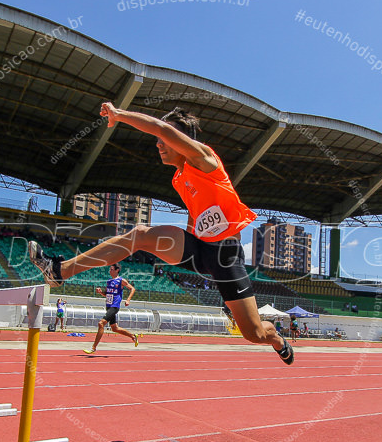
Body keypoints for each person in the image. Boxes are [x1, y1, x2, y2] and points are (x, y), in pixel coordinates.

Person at [30, 103, 294, 364]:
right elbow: (196, 214)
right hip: (198, 249)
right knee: (140, 234)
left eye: (165, 139)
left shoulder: (205, 159)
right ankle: (59, 271)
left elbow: (160, 127)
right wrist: (187, 242)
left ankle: (277, 340)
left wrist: (119, 115)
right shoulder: (179, 178)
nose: (158, 144)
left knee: (254, 333)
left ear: (182, 141)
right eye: (158, 140)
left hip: (225, 256)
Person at [83, 263, 139, 354]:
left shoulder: (121, 280)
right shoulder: (109, 281)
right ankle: (133, 336)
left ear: (117, 270)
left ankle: (93, 348)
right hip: (108, 306)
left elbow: (132, 289)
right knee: (114, 328)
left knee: (101, 323)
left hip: (114, 306)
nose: (110, 271)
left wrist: (128, 299)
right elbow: (106, 294)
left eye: (112, 269)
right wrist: (100, 292)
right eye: (109, 269)